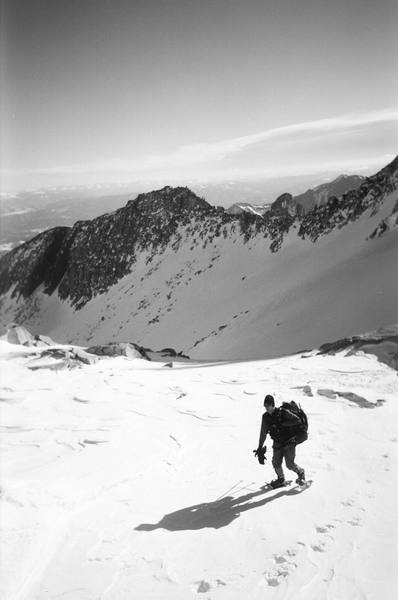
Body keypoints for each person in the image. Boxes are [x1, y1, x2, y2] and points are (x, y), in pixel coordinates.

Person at [254, 394, 306, 488]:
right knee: (276, 462)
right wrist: (259, 447)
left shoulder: (283, 412)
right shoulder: (265, 417)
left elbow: (297, 420)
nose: (266, 408)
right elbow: (263, 433)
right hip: (277, 443)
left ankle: (301, 472)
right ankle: (281, 479)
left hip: (289, 441)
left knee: (289, 464)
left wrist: (284, 423)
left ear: (273, 404)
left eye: (268, 406)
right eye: (265, 406)